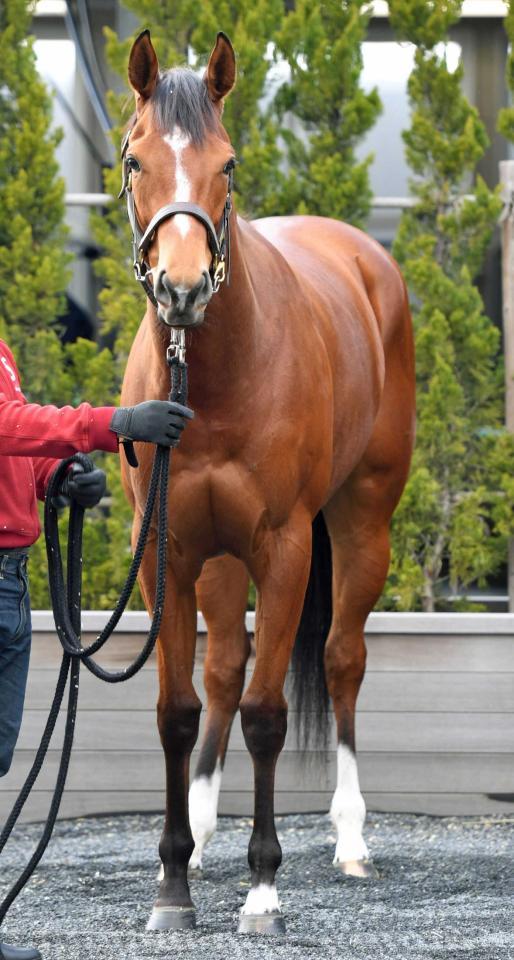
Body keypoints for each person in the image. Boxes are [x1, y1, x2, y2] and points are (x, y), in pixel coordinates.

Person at [0, 338, 193, 960]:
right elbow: (5, 425)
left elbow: (13, 449)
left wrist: (56, 476)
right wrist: (110, 424)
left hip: (10, 577)